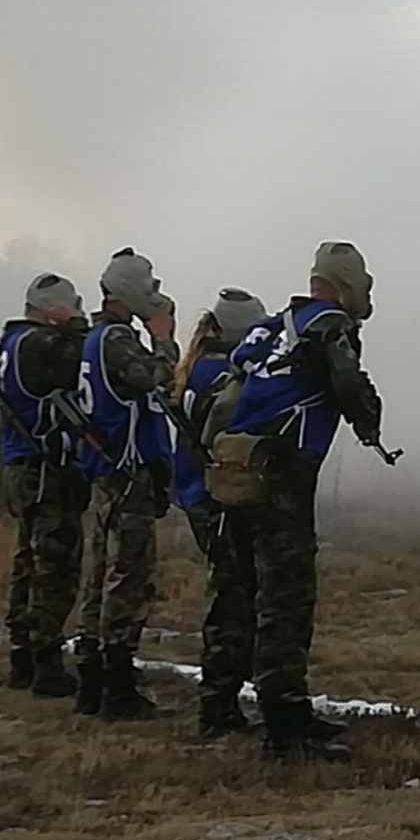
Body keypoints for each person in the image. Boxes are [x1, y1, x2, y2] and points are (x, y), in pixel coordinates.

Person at [222, 240, 383, 761]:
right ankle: (284, 723)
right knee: (286, 596)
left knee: (248, 590)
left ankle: (259, 704)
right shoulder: (329, 326)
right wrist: (367, 417)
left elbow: (234, 374)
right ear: (346, 284)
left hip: (237, 468)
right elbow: (347, 382)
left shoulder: (272, 326)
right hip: (281, 473)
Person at [72, 247, 179, 720]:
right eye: (150, 287)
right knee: (129, 574)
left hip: (108, 467)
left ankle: (92, 678)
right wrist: (164, 340)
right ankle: (116, 683)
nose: (157, 296)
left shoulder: (96, 337)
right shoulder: (117, 340)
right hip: (126, 469)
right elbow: (155, 378)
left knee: (101, 571)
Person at [172, 287, 269, 738]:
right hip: (218, 498)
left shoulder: (196, 367)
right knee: (232, 600)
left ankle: (222, 698)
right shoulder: (224, 375)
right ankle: (219, 705)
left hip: (196, 494)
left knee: (230, 594)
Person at [0, 273, 90, 697]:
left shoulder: (11, 343)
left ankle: (22, 655)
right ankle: (45, 661)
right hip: (45, 466)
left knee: (28, 560)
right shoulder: (39, 344)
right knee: (55, 564)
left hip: (21, 462)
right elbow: (79, 360)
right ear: (54, 308)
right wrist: (77, 327)